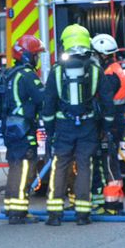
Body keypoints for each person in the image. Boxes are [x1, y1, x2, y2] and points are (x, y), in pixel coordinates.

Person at [42, 24, 115, 226]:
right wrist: (106, 128)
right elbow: (107, 102)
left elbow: (48, 103)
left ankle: (54, 214)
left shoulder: (57, 71)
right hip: (87, 126)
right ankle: (83, 213)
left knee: (60, 166)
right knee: (85, 166)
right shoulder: (95, 69)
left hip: (63, 127)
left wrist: (50, 131)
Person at [2, 35, 46, 224]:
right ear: (27, 55)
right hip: (23, 129)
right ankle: (19, 212)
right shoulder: (28, 75)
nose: (37, 59)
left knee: (15, 167)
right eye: (36, 55)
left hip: (11, 129)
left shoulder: (11, 73)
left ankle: (12, 206)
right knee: (25, 167)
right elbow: (41, 98)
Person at [90, 33, 125, 215]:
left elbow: (103, 100)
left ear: (102, 54)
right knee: (110, 162)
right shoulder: (113, 69)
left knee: (108, 163)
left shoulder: (109, 75)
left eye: (94, 54)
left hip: (111, 124)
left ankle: (112, 205)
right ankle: (115, 203)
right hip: (116, 121)